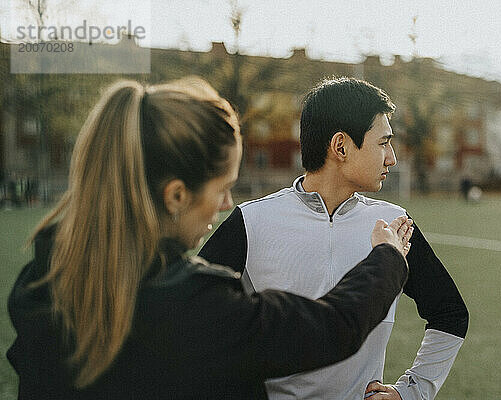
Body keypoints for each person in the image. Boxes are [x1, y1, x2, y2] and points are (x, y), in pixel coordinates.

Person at [7, 77, 414, 399]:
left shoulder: (43, 278)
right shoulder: (189, 305)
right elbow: (330, 329)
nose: (226, 204)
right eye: (222, 187)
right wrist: (387, 258)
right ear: (177, 196)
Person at [200, 77, 469, 400]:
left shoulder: (393, 225)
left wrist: (411, 392)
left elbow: (450, 313)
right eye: (383, 142)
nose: (392, 158)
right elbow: (193, 324)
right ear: (341, 146)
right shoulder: (251, 221)